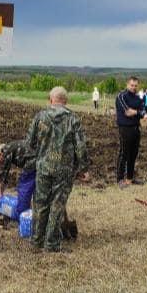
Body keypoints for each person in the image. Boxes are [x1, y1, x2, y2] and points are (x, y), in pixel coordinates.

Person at [25, 86, 89, 252]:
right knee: (57, 205)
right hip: (64, 170)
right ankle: (51, 243)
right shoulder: (73, 119)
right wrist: (83, 168)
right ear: (65, 101)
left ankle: (36, 241)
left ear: (50, 99)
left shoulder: (40, 117)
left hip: (43, 168)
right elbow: (81, 147)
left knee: (40, 204)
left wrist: (38, 158)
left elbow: (29, 143)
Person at [0, 140, 36, 219]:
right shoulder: (10, 146)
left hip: (31, 163)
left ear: (0, 154)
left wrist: (1, 192)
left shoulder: (6, 151)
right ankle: (33, 213)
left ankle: (21, 214)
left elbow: (5, 174)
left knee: (23, 187)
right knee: (33, 187)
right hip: (38, 161)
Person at [115, 76, 144, 187]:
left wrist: (137, 112)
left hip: (136, 128)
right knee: (124, 154)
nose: (133, 87)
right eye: (132, 85)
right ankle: (120, 179)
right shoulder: (121, 96)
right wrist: (138, 112)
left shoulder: (137, 98)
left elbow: (142, 112)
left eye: (135, 85)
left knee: (133, 154)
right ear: (127, 84)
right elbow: (127, 112)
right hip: (125, 129)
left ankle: (129, 179)